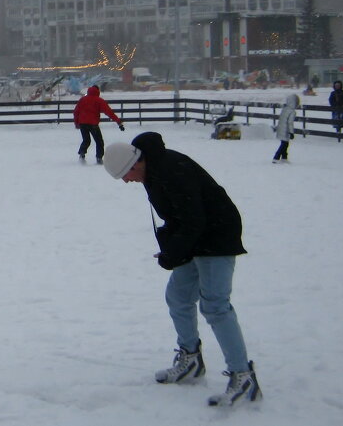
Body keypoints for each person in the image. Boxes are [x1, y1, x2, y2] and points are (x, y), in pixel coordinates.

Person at [102, 132, 261, 408]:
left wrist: (172, 253)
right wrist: (169, 247)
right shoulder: (152, 170)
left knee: (215, 306)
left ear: (134, 165)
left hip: (217, 236)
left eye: (125, 176)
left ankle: (243, 375)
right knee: (177, 297)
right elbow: (177, 217)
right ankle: (191, 359)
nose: (127, 182)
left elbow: (194, 219)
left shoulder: (171, 170)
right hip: (197, 237)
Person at [72, 84, 124, 163]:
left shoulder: (82, 99)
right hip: (93, 124)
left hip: (82, 123)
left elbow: (76, 112)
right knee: (99, 141)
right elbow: (109, 112)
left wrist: (76, 123)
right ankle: (99, 158)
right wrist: (118, 122)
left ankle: (82, 154)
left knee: (86, 140)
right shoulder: (99, 100)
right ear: (98, 91)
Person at [272, 92, 299, 163]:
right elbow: (290, 123)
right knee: (284, 144)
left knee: (284, 143)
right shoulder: (292, 111)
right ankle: (276, 157)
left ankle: (284, 157)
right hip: (286, 130)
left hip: (281, 129)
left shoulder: (285, 109)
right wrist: (291, 132)